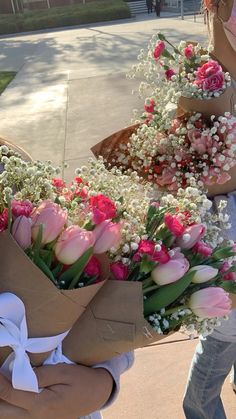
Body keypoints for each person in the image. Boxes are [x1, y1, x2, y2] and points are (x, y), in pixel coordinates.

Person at [183, 1, 236, 418]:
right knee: (225, 319)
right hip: (223, 187)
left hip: (224, 185)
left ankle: (201, 408)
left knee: (225, 323)